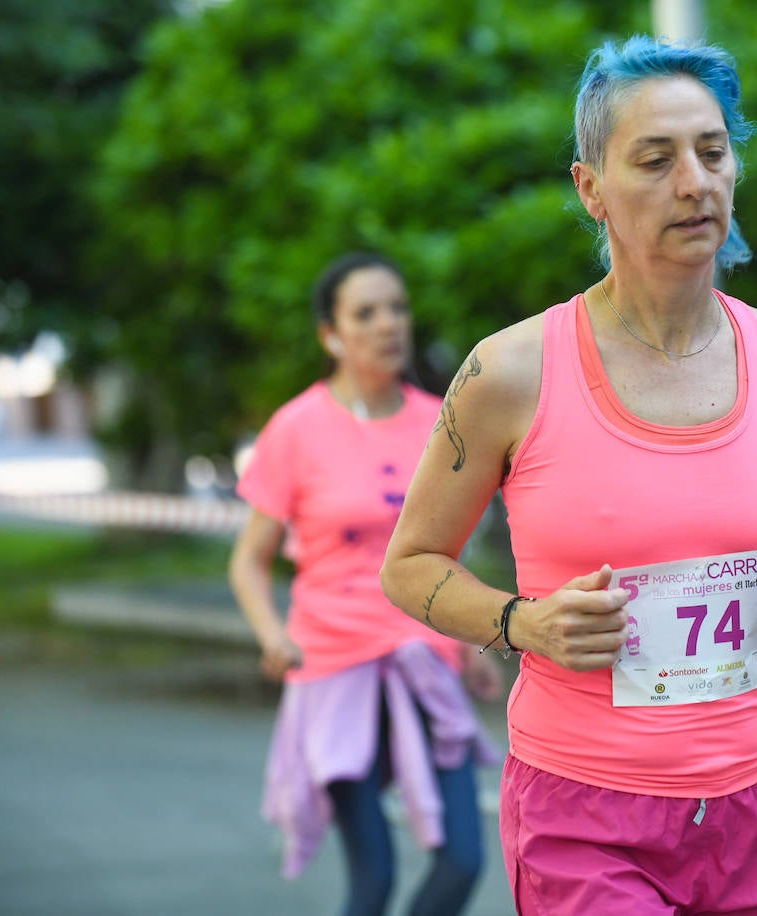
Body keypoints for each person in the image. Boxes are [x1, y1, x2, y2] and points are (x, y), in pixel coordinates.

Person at [380, 36, 757, 915]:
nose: (695, 181)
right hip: (584, 811)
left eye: (713, 153)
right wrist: (523, 623)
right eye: (656, 158)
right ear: (590, 187)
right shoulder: (509, 372)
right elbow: (409, 566)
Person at [228, 251, 502, 916]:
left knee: (464, 860)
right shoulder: (295, 429)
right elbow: (249, 559)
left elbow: (451, 551)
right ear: (331, 334)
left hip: (424, 663)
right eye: (366, 313)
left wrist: (472, 638)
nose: (389, 324)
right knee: (372, 877)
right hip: (335, 667)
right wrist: (273, 635)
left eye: (398, 308)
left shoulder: (444, 420)